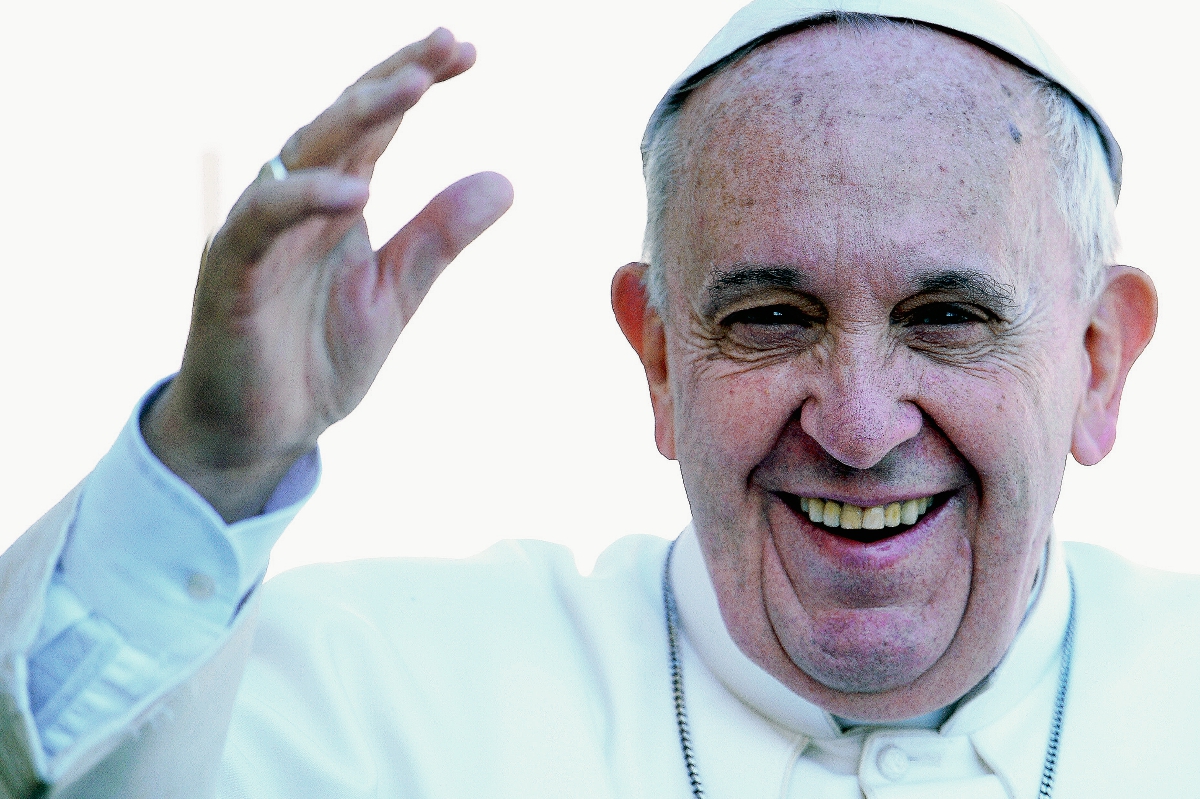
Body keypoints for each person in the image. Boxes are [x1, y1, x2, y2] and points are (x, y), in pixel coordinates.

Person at [0, 0, 1192, 796]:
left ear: (1098, 360)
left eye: (946, 318)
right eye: (771, 317)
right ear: (662, 360)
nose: (861, 424)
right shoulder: (375, 690)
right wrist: (214, 463)